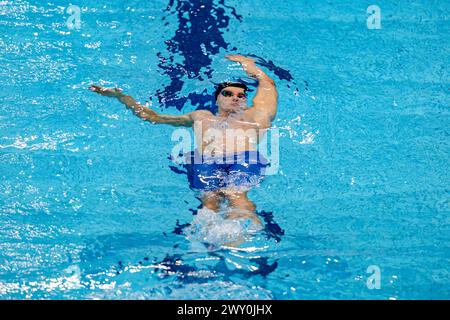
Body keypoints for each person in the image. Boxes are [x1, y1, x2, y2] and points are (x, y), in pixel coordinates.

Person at [89, 54, 278, 231]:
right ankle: (208, 239)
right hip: (206, 161)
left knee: (235, 195)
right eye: (228, 94)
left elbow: (268, 84)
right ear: (217, 100)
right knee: (210, 201)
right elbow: (152, 117)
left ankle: (244, 235)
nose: (235, 97)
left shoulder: (258, 115)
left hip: (244, 158)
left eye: (241, 95)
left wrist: (248, 63)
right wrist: (121, 97)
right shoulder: (201, 116)